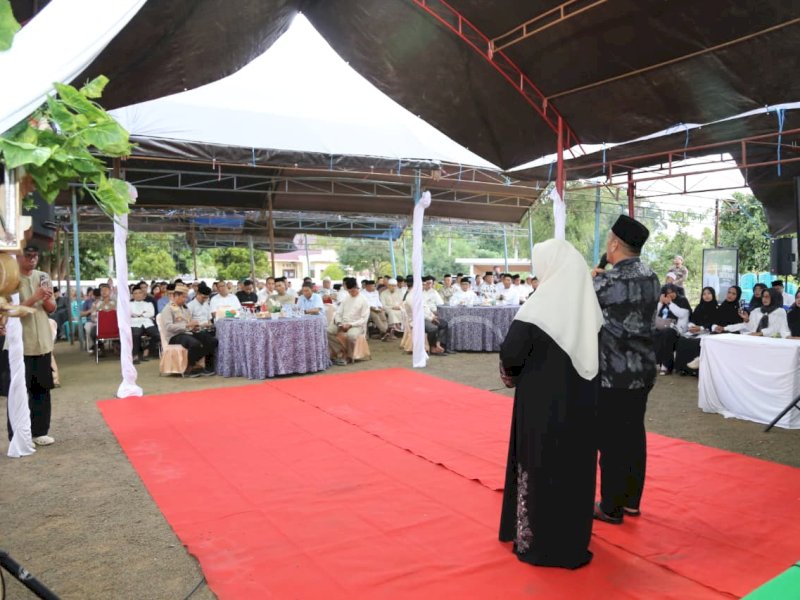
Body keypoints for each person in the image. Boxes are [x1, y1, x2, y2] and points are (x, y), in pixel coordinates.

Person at [498, 239, 603, 569]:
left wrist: (511, 374)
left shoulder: (538, 307)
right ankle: (571, 539)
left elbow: (511, 353)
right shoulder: (589, 308)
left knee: (541, 464)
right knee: (574, 468)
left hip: (541, 407)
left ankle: (540, 543)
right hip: (582, 406)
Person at [591, 215, 660, 525]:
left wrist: (598, 273)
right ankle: (631, 501)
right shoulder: (651, 276)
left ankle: (611, 506)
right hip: (643, 369)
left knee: (612, 441)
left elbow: (584, 302)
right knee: (633, 436)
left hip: (614, 371)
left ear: (614, 243)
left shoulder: (609, 280)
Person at [9, 244, 57, 446]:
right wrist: (34, 298)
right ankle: (18, 434)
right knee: (19, 390)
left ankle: (40, 431)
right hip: (20, 343)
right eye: (28, 255)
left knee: (42, 390)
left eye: (35, 255)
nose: (32, 259)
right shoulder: (9, 278)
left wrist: (45, 299)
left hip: (42, 342)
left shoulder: (43, 276)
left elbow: (52, 308)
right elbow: (9, 311)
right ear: (18, 257)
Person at [682, 286, 744, 371]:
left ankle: (700, 360)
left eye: (733, 294)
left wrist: (723, 328)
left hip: (732, 333)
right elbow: (715, 321)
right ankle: (685, 368)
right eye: (729, 292)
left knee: (708, 339)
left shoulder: (739, 308)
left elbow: (739, 324)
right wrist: (715, 327)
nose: (730, 295)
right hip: (719, 332)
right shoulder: (723, 306)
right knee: (685, 340)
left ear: (738, 295)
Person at [160, 284, 217, 377]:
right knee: (195, 344)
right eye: (183, 297)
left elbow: (189, 323)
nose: (185, 299)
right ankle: (189, 368)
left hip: (188, 332)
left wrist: (195, 326)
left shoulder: (185, 308)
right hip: (174, 336)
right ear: (176, 296)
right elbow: (169, 327)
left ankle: (207, 368)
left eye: (186, 297)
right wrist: (186, 325)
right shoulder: (168, 309)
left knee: (212, 341)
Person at [674, 287, 718, 374]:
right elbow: (693, 319)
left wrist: (701, 328)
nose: (706, 296)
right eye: (704, 294)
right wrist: (692, 326)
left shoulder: (717, 308)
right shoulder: (699, 307)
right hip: (695, 331)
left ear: (713, 295)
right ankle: (683, 368)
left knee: (697, 342)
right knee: (682, 340)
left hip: (707, 332)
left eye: (709, 293)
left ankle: (695, 370)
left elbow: (715, 323)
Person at [327, 277, 370, 366]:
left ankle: (349, 356)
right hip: (342, 322)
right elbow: (338, 313)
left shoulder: (363, 300)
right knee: (327, 332)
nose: (350, 293)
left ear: (356, 287)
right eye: (349, 291)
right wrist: (339, 323)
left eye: (352, 291)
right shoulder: (346, 298)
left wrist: (350, 324)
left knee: (351, 336)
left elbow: (363, 319)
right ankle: (341, 350)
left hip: (356, 325)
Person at [653, 284, 691, 375]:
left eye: (672, 292)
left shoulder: (682, 300)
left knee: (667, 333)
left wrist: (670, 303)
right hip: (662, 326)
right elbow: (653, 314)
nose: (670, 295)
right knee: (651, 333)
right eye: (668, 293)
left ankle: (666, 365)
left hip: (676, 329)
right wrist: (660, 303)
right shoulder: (663, 301)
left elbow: (681, 314)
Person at [724, 288, 791, 338]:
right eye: (763, 297)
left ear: (774, 298)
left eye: (767, 297)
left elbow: (776, 328)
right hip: (753, 338)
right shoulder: (757, 310)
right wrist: (746, 320)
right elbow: (750, 327)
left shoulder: (780, 311)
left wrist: (761, 333)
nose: (764, 299)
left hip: (769, 340)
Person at [130, 287, 159, 364]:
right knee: (135, 335)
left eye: (140, 293)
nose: (138, 295)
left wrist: (137, 314)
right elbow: (129, 314)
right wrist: (143, 314)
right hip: (134, 323)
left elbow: (151, 313)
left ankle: (147, 349)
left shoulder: (149, 304)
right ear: (132, 295)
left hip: (147, 322)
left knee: (157, 335)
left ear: (143, 295)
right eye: (135, 293)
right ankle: (135, 355)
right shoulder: (129, 304)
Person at [85, 283, 116, 353]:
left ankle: (116, 345)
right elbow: (92, 317)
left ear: (110, 291)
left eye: (106, 290)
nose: (104, 292)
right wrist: (101, 320)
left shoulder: (116, 303)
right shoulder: (95, 303)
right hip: (100, 325)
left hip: (114, 325)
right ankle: (100, 347)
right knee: (93, 332)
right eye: (102, 290)